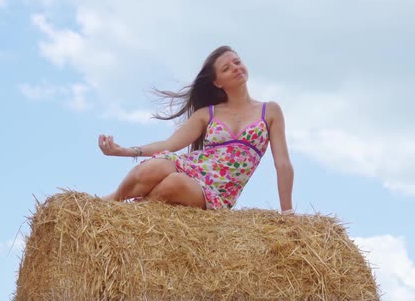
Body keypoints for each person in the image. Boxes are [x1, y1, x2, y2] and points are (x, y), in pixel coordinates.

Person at [98, 46, 294, 215]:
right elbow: (169, 144)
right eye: (227, 68)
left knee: (174, 183)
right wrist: (123, 151)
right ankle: (107, 206)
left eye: (237, 62)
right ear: (218, 82)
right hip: (193, 167)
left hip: (218, 191)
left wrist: (287, 212)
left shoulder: (270, 111)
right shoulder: (207, 114)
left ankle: (133, 214)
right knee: (153, 167)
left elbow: (283, 164)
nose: (235, 68)